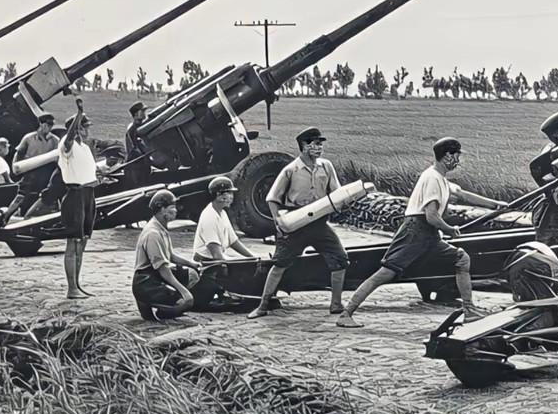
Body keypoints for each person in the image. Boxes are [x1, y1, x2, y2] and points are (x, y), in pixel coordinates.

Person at [337, 137, 507, 328]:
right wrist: (449, 230)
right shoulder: (432, 178)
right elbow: (431, 216)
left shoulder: (440, 178)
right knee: (385, 274)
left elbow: (462, 194)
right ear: (448, 156)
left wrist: (496, 205)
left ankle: (469, 310)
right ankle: (346, 313)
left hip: (428, 235)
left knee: (461, 259)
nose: (458, 161)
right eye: (457, 156)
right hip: (415, 232)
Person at [247, 127, 350, 319]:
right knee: (279, 264)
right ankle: (262, 306)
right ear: (304, 146)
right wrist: (279, 222)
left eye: (321, 144)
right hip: (295, 223)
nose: (320, 148)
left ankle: (336, 304)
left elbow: (336, 193)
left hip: (319, 222)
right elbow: (272, 199)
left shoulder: (326, 166)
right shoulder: (290, 170)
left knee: (340, 259)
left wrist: (344, 201)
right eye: (316, 144)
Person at [132, 189, 203, 320]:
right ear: (162, 209)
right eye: (172, 207)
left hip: (155, 274)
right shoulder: (152, 233)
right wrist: (184, 291)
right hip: (146, 281)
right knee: (186, 302)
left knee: (192, 275)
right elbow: (163, 268)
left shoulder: (161, 228)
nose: (176, 210)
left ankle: (164, 302)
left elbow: (170, 256)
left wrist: (191, 264)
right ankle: (160, 308)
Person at [190, 176, 257, 311]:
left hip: (217, 260)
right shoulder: (209, 216)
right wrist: (239, 264)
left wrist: (253, 257)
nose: (232, 196)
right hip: (208, 264)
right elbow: (216, 254)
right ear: (218, 195)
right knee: (241, 271)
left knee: (248, 264)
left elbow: (233, 241)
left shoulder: (222, 213)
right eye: (229, 193)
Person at [59, 107, 99, 299]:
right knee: (73, 244)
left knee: (82, 243)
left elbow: (88, 172)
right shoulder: (66, 145)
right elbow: (68, 139)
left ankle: (77, 284)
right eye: (84, 127)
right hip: (74, 196)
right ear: (76, 129)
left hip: (88, 195)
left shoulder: (85, 148)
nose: (87, 130)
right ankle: (71, 288)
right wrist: (79, 114)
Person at [4, 113, 60, 218]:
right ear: (41, 123)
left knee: (44, 197)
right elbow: (19, 154)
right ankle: (5, 217)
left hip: (46, 173)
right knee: (21, 197)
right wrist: (16, 171)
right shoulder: (29, 138)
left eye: (51, 124)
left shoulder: (55, 140)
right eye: (47, 124)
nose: (49, 127)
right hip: (29, 172)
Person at [124, 101, 153, 188]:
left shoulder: (143, 126)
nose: (144, 113)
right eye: (142, 111)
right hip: (135, 167)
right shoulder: (132, 130)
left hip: (143, 165)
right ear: (136, 114)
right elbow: (133, 149)